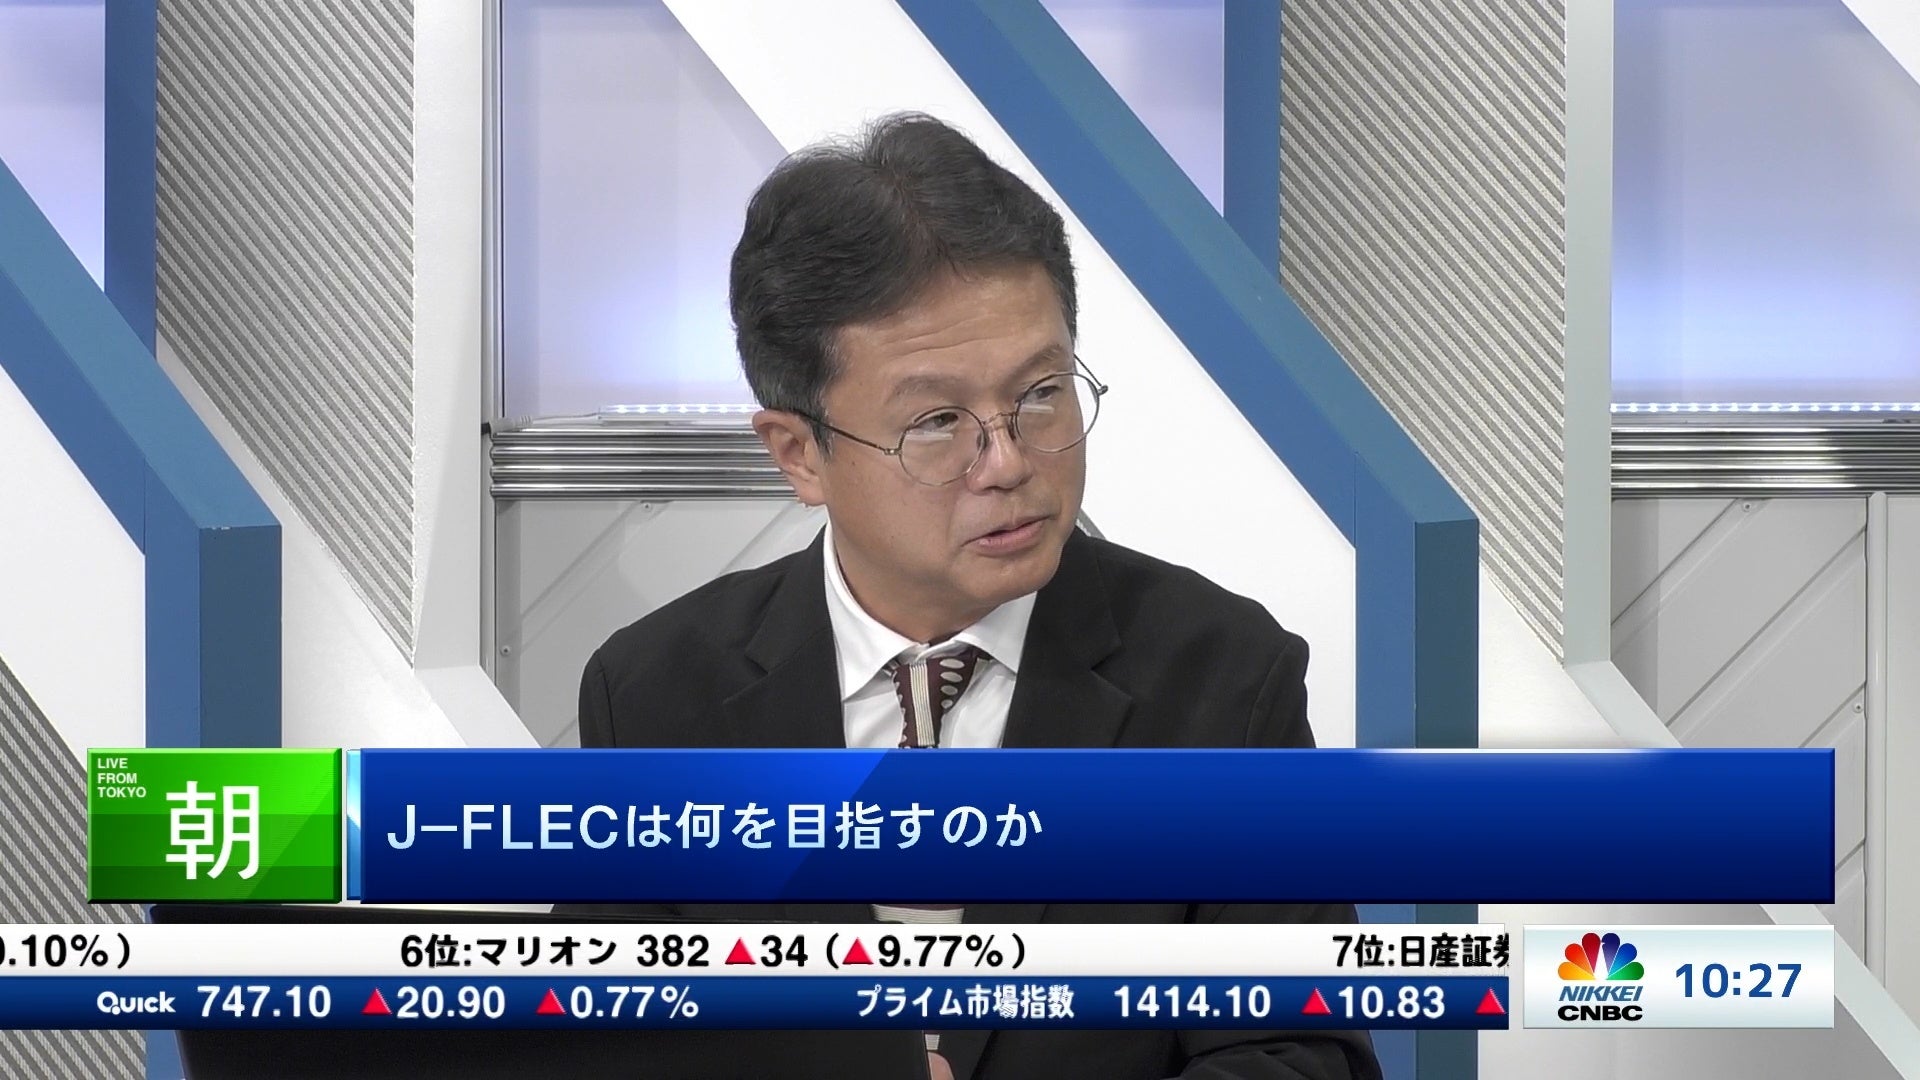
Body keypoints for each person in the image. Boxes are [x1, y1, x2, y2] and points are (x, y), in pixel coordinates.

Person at [570, 113, 1380, 1080]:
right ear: (798, 454)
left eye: (1041, 393)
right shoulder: (654, 700)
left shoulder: (1222, 676)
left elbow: (1302, 1054)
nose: (1008, 462)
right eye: (938, 421)